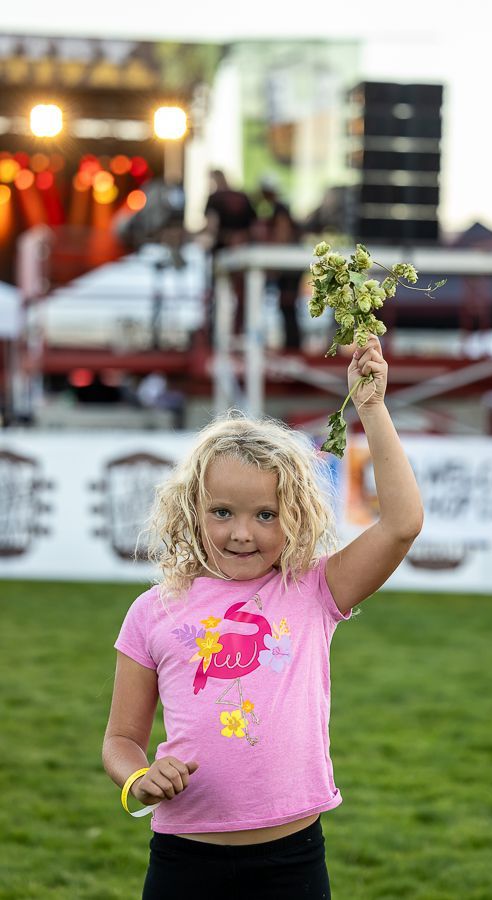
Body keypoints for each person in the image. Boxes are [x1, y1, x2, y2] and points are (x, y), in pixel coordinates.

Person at [102, 334, 424, 899]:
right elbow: (121, 739)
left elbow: (401, 524)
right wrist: (138, 777)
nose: (242, 532)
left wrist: (370, 408)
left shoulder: (314, 590)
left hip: (291, 859)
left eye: (266, 514)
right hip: (184, 859)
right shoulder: (151, 612)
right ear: (191, 510)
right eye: (221, 512)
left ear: (294, 515)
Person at [201, 169, 258, 342]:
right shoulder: (242, 197)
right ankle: (241, 332)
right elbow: (254, 225)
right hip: (244, 253)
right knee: (245, 296)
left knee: (218, 295)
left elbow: (212, 226)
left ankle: (220, 336)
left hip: (223, 253)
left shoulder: (215, 199)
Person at [258, 174, 303, 350]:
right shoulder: (280, 209)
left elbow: (282, 235)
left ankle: (293, 345)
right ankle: (292, 344)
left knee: (287, 304)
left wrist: (274, 262)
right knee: (287, 306)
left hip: (288, 267)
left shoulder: (279, 210)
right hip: (289, 265)